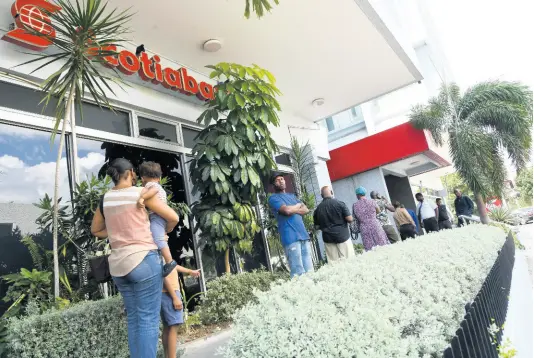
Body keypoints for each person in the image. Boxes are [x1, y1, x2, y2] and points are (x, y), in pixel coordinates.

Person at [91, 158, 179, 358]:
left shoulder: (105, 199)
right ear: (130, 173)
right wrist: (163, 231)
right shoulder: (140, 193)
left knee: (135, 320)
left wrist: (117, 231)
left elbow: (96, 230)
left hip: (119, 267)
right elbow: (173, 216)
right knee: (148, 320)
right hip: (143, 261)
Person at [268, 174, 314, 277]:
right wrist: (298, 206)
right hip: (291, 238)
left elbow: (306, 210)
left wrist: (293, 209)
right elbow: (287, 211)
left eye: (282, 179)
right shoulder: (273, 198)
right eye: (278, 180)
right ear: (273, 184)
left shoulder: (292, 196)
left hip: (303, 236)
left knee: (310, 272)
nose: (281, 181)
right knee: (298, 273)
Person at [137, 161, 177, 277]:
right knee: (159, 238)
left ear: (143, 178)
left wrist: (142, 198)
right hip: (159, 217)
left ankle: (169, 262)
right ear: (159, 178)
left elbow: (153, 191)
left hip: (157, 216)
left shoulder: (151, 186)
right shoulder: (157, 185)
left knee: (158, 239)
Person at [161, 251, 201, 358]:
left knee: (168, 327)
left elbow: (174, 266)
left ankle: (167, 356)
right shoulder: (159, 248)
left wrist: (190, 271)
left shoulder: (161, 250)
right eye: (165, 234)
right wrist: (174, 297)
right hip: (170, 294)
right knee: (174, 326)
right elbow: (163, 277)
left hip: (166, 294)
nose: (167, 235)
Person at [313, 186, 354, 262]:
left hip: (328, 238)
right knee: (349, 261)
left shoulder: (318, 209)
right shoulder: (340, 204)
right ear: (332, 192)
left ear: (322, 196)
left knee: (334, 265)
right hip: (342, 236)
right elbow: (350, 219)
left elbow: (317, 226)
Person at [351, 186, 389, 251]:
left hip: (364, 227)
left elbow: (354, 217)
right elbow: (378, 211)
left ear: (357, 195)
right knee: (382, 243)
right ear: (364, 193)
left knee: (369, 247)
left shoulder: (355, 205)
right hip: (375, 224)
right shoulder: (372, 202)